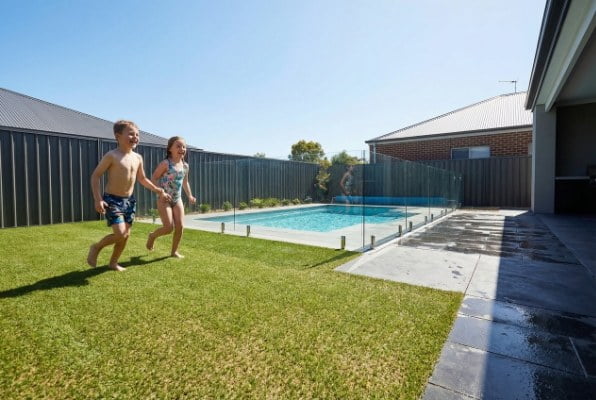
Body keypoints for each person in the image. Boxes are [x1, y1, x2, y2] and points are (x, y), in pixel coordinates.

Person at [87, 120, 171, 271]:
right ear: (118, 136)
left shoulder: (138, 158)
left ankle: (113, 262)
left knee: (125, 235)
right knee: (120, 233)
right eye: (131, 134)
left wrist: (159, 190)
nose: (135, 137)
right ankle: (97, 247)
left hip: (129, 201)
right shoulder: (112, 156)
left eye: (137, 134)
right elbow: (95, 176)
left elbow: (142, 179)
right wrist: (98, 199)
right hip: (112, 199)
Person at [146, 136, 196, 258]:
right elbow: (154, 178)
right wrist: (160, 193)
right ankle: (152, 236)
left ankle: (174, 252)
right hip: (164, 199)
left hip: (177, 199)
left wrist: (189, 195)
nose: (182, 148)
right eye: (178, 146)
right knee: (168, 228)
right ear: (170, 149)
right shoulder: (166, 164)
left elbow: (185, 182)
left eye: (184, 146)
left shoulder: (185, 166)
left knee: (180, 226)